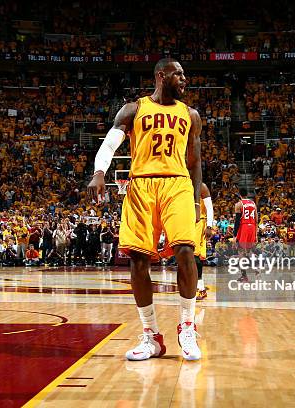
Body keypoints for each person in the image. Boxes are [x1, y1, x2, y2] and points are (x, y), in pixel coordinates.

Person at [87, 58, 202, 361]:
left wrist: (195, 200)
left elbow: (195, 162)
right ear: (162, 76)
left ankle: (187, 327)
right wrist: (99, 172)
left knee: (186, 251)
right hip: (140, 185)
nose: (185, 79)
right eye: (179, 74)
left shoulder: (190, 115)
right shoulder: (134, 109)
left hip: (177, 184)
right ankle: (151, 336)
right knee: (138, 260)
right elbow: (110, 144)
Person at [193, 183, 214, 300]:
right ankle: (196, 287)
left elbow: (209, 208)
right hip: (187, 223)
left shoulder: (202, 186)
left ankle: (201, 289)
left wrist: (209, 226)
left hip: (200, 222)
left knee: (195, 256)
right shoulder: (182, 183)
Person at [234, 188, 258, 282]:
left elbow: (237, 222)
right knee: (249, 250)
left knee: (241, 252)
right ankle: (256, 268)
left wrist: (235, 235)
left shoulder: (239, 204)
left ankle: (244, 276)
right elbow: (256, 219)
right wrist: (255, 234)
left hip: (244, 227)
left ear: (239, 194)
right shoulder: (253, 203)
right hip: (252, 227)